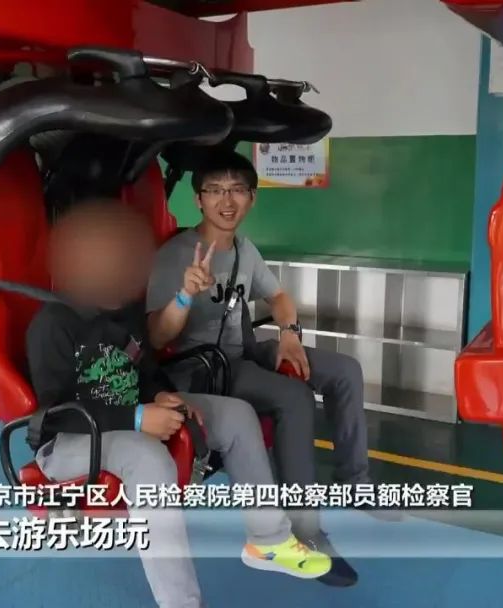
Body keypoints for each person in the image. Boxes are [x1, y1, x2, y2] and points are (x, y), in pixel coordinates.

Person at [27, 198, 332, 608]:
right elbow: (54, 415)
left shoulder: (124, 310)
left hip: (131, 413)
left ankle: (268, 539)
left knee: (237, 415)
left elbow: (143, 367)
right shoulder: (51, 324)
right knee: (149, 459)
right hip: (70, 439)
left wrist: (160, 395)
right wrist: (139, 417)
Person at [146, 149, 373, 587]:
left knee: (345, 370)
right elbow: (156, 337)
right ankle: (305, 531)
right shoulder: (176, 255)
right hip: (202, 367)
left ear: (252, 198)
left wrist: (289, 332)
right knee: (294, 396)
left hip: (243, 350)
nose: (226, 200)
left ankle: (355, 483)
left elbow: (279, 297)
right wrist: (184, 295)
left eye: (237, 190)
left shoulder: (244, 250)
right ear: (198, 199)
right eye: (215, 190)